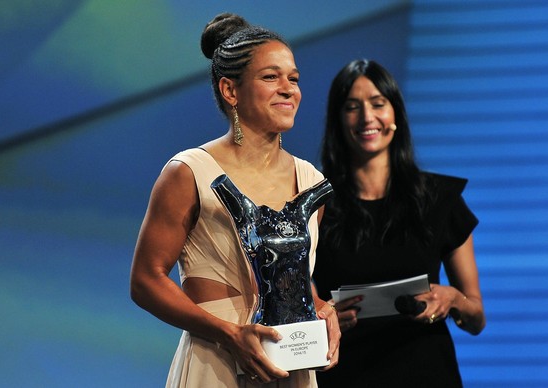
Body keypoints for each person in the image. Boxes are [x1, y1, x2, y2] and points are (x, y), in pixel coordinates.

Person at [130, 13, 340, 387]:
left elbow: (293, 278)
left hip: (290, 365)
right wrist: (228, 333)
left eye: (293, 78)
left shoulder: (311, 181)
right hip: (217, 362)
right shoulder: (190, 171)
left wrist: (323, 309)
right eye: (271, 77)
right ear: (230, 91)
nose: (288, 89)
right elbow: (146, 280)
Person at [312, 59, 486, 387]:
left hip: (428, 374)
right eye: (352, 107)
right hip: (343, 374)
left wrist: (452, 298)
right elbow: (296, 309)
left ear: (396, 115)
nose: (367, 118)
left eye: (378, 104)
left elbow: (476, 318)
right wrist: (322, 313)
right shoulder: (314, 203)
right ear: (338, 119)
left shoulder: (440, 198)